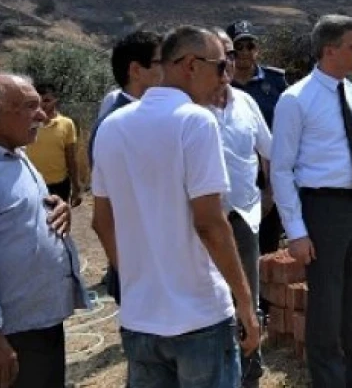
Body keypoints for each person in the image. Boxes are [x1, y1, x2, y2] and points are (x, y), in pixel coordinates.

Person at [91, 26, 260, 388]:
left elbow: (102, 221)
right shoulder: (196, 122)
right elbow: (211, 225)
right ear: (190, 65)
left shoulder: (111, 127)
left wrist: (137, 275)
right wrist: (246, 304)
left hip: (140, 319)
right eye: (220, 67)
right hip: (199, 318)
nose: (226, 77)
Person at [270, 15, 352, 388]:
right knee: (326, 306)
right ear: (329, 50)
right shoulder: (295, 99)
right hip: (323, 210)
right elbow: (281, 169)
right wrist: (296, 231)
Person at [0, 74, 88, 388]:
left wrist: (57, 210)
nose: (42, 115)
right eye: (29, 107)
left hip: (36, 327)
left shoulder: (14, 155)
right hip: (6, 338)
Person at [209, 29, 272, 388]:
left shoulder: (246, 104)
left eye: (233, 55)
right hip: (198, 226)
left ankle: (250, 376)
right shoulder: (188, 109)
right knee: (210, 306)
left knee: (247, 301)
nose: (230, 62)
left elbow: (269, 151)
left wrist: (270, 198)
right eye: (223, 56)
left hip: (243, 221)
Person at [87, 29, 163, 304]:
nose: (166, 69)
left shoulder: (149, 116)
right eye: (159, 62)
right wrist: (128, 269)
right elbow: (105, 214)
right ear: (136, 70)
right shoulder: (115, 125)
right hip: (139, 261)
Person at [225, 20, 289, 261]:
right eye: (237, 47)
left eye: (249, 46)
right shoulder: (218, 85)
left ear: (257, 49)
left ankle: (265, 297)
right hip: (234, 177)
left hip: (271, 175)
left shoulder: (275, 82)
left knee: (267, 249)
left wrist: (272, 189)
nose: (244, 53)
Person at [24, 81, 83, 206]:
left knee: (59, 222)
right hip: (32, 183)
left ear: (55, 100)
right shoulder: (27, 123)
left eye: (46, 100)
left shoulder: (66, 124)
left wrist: (76, 186)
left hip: (59, 185)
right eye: (38, 101)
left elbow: (71, 158)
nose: (42, 105)